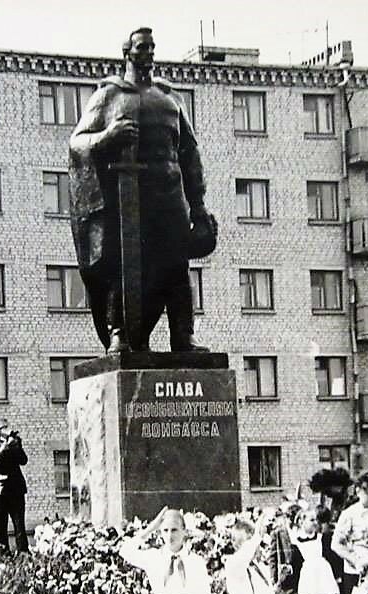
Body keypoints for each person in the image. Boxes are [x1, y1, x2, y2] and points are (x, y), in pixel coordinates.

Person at [68, 27, 215, 354]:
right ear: (127, 52)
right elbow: (77, 143)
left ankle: (183, 336)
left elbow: (190, 155)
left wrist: (198, 206)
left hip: (169, 194)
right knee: (122, 264)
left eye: (152, 47)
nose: (149, 53)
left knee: (177, 266)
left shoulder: (170, 99)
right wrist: (107, 137)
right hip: (129, 197)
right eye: (142, 47)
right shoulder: (109, 95)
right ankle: (118, 332)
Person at [120, 507, 213, 594]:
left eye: (174, 530)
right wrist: (150, 528)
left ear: (184, 531)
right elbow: (125, 551)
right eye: (165, 530)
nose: (170, 535)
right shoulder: (154, 557)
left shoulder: (196, 562)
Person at [0, 419, 29, 553]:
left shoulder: (15, 441)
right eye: (2, 428)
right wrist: (1, 450)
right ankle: (3, 554)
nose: (6, 430)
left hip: (15, 488)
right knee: (0, 524)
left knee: (19, 523)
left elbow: (23, 460)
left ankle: (23, 553)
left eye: (7, 427)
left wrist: (15, 446)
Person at [289, 507, 340, 594]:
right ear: (302, 522)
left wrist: (337, 576)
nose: (315, 523)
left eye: (316, 520)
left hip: (324, 575)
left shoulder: (322, 538)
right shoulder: (296, 543)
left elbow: (331, 557)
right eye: (311, 520)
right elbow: (296, 566)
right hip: (309, 577)